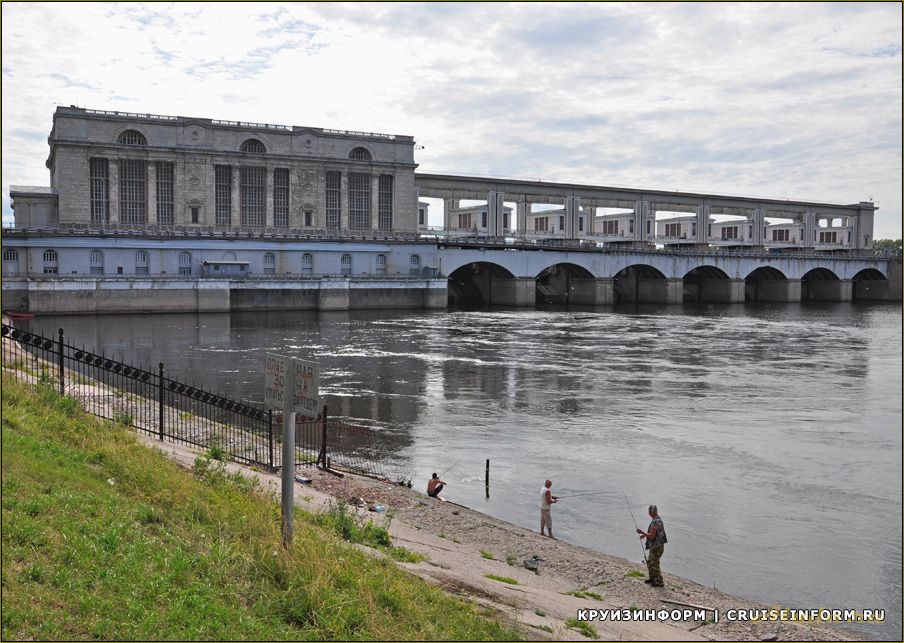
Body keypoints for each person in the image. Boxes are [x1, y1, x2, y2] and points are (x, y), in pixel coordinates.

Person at [636, 504, 667, 587]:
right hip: (656, 546)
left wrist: (642, 532)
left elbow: (652, 536)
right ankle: (652, 579)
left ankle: (660, 582)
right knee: (650, 562)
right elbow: (654, 534)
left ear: (650, 512)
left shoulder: (655, 521)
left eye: (650, 511)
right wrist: (645, 535)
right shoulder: (658, 519)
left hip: (657, 547)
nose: (650, 513)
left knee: (655, 564)